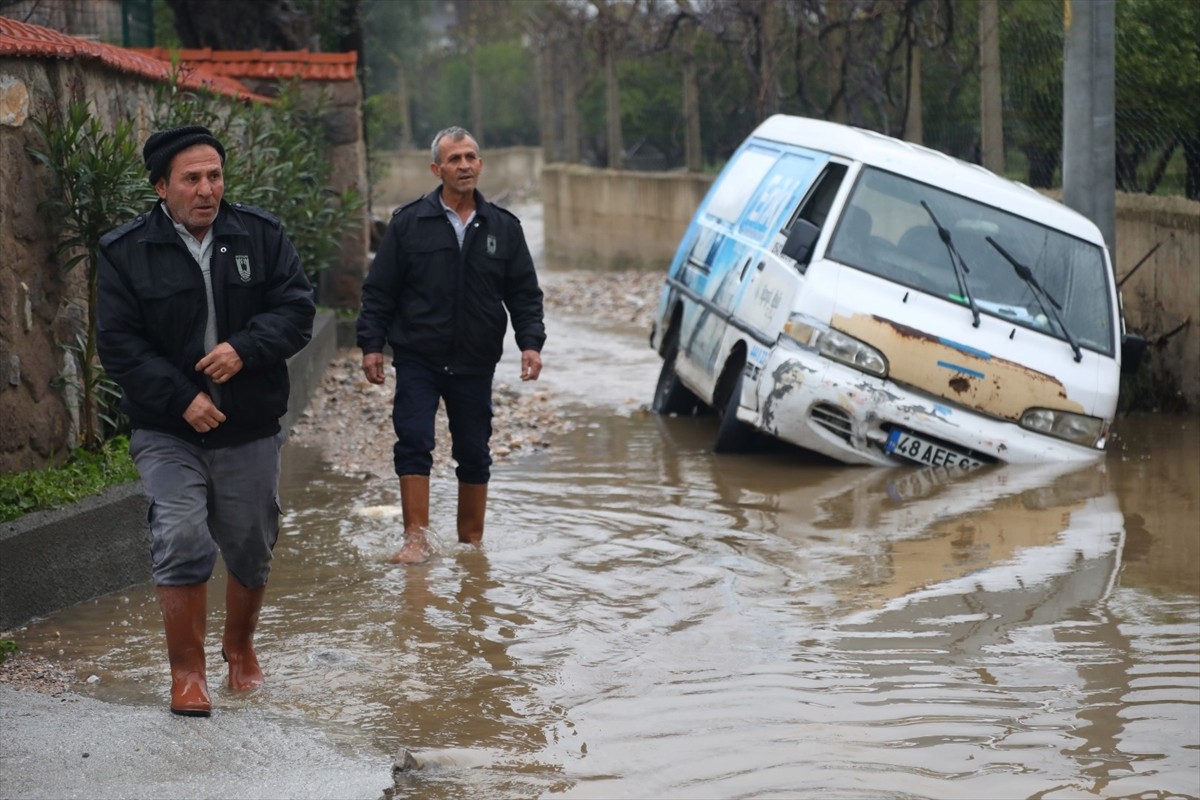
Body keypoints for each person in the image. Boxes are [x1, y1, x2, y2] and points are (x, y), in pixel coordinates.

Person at [97, 125, 315, 717]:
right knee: (182, 535)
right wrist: (179, 398)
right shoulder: (124, 252)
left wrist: (245, 347)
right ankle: (188, 674)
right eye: (191, 178)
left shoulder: (261, 237)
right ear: (162, 185)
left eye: (214, 175)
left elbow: (297, 310)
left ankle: (239, 649)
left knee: (251, 541)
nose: (206, 189)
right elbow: (118, 344)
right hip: (168, 430)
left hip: (248, 424)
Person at [357, 126, 546, 565]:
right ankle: (415, 540)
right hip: (419, 356)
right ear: (436, 168)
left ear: (480, 164)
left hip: (476, 361)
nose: (464, 166)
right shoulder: (408, 224)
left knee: (474, 450)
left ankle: (471, 544)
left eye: (471, 157)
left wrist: (530, 344)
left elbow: (524, 294)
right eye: (455, 159)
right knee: (414, 440)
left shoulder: (504, 226)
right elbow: (379, 291)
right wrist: (371, 345)